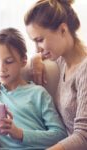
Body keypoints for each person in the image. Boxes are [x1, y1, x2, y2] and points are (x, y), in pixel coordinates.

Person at [24, 0, 87, 150]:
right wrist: (36, 58)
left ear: (63, 30)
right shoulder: (63, 60)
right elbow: (39, 53)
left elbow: (84, 137)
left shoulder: (84, 69)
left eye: (40, 40)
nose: (37, 48)